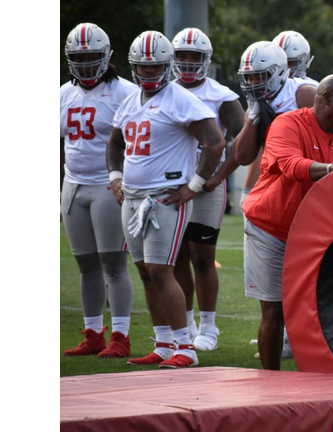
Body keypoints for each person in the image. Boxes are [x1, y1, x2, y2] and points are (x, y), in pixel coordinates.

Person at [106, 30, 226, 369]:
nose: (148, 72)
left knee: (161, 269)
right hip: (131, 197)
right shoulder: (131, 100)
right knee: (144, 270)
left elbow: (215, 141)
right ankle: (163, 343)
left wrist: (196, 185)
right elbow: (115, 144)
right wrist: (115, 177)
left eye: (155, 66)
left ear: (166, 66)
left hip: (165, 197)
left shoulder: (180, 98)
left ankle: (185, 347)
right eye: (142, 67)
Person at [239, 74, 333, 370]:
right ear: (326, 99)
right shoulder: (287, 124)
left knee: (316, 310)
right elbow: (290, 165)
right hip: (271, 226)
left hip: (314, 234)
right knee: (274, 310)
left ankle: (314, 378)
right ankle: (271, 381)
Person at [233, 40, 318, 360]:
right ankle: (282, 340)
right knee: (273, 289)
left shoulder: (303, 94)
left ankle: (306, 341)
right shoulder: (257, 103)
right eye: (249, 77)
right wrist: (253, 117)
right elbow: (242, 155)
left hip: (306, 192)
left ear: (280, 72)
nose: (253, 83)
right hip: (273, 195)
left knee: (307, 279)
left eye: (259, 77)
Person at [60, 23, 137, 358]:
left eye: (92, 57)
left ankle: (120, 336)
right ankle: (93, 333)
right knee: (86, 266)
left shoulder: (126, 92)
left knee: (114, 265)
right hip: (72, 184)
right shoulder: (63, 93)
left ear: (106, 57)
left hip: (108, 184)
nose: (87, 64)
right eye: (80, 57)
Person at [170, 27, 245, 351]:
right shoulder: (163, 92)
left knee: (203, 257)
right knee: (176, 259)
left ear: (206, 60)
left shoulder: (221, 95)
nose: (187, 62)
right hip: (171, 185)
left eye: (194, 57)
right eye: (182, 56)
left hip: (206, 188)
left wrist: (218, 176)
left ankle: (209, 327)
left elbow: (243, 143)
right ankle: (184, 326)